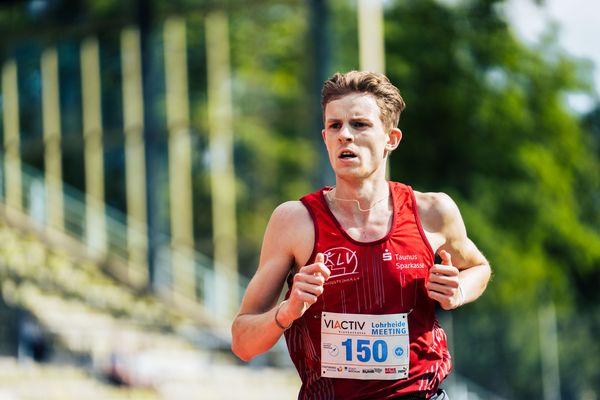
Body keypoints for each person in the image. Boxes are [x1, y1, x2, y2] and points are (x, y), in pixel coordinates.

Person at [231, 71, 491, 399]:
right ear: (325, 137)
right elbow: (242, 342)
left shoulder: (432, 211)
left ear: (391, 139)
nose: (345, 136)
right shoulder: (294, 221)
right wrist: (288, 310)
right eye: (335, 126)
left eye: (359, 124)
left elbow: (478, 268)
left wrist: (459, 292)